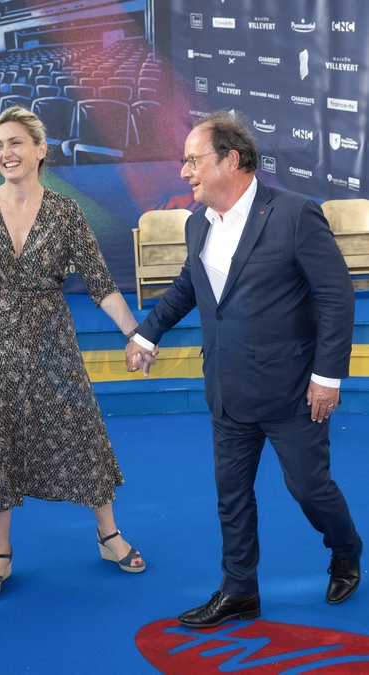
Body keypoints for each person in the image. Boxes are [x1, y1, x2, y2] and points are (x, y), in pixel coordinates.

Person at [125, 109, 362, 626]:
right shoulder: (197, 223)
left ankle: (346, 548)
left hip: (293, 391)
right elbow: (189, 287)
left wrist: (327, 377)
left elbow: (336, 297)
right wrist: (146, 333)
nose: (184, 171)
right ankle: (239, 591)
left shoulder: (295, 213)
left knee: (309, 488)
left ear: (231, 160)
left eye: (193, 160)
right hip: (226, 387)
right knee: (231, 497)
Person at [0, 105, 154, 601]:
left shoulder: (66, 211)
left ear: (40, 149)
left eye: (15, 143)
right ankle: (0, 552)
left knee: (83, 433)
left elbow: (101, 284)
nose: (5, 153)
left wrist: (136, 334)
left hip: (54, 346)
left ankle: (108, 535)